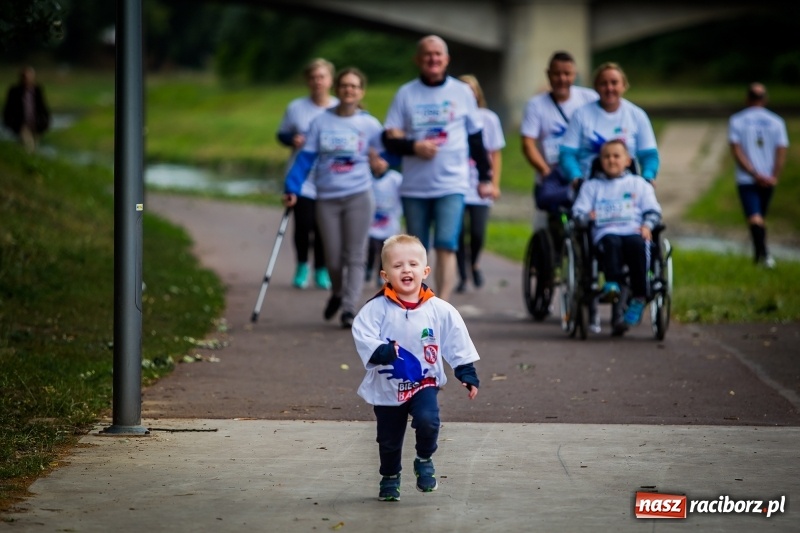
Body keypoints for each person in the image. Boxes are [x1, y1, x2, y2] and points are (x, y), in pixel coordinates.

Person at [351, 234, 480, 501]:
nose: (406, 270)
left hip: (425, 382)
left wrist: (465, 371)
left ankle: (424, 458)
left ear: (425, 270)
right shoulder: (376, 308)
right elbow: (363, 334)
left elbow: (456, 339)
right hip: (389, 387)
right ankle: (389, 476)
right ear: (385, 275)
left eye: (412, 264)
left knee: (428, 421)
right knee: (388, 439)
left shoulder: (440, 309)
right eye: (398, 266)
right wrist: (382, 351)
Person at [382, 35, 494, 302]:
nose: (433, 59)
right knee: (414, 252)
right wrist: (414, 146)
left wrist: (486, 176)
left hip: (452, 183)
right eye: (427, 54)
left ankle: (441, 305)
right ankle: (414, 302)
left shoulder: (462, 92)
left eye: (438, 54)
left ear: (446, 60)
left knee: (446, 244)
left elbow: (476, 138)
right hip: (415, 186)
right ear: (418, 60)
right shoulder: (406, 93)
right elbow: (390, 138)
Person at [283, 67, 383, 328]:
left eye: (354, 86)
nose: (349, 90)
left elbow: (386, 155)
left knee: (356, 255)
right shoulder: (320, 122)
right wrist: (292, 187)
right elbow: (304, 159)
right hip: (326, 197)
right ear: (337, 90)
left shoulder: (369, 124)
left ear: (361, 91)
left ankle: (350, 308)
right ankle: (337, 292)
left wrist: (383, 164)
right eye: (344, 86)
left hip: (359, 194)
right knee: (333, 257)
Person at [571, 140, 662, 336]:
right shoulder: (592, 186)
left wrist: (647, 226)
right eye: (606, 156)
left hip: (634, 230)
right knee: (611, 241)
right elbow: (578, 213)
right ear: (600, 161)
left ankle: (639, 296)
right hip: (606, 232)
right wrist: (588, 217)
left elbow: (653, 211)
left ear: (628, 160)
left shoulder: (639, 184)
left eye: (616, 156)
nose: (611, 160)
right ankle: (612, 284)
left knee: (638, 244)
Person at [277, 58, 337, 290]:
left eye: (321, 77)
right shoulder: (296, 108)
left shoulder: (338, 107)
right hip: (302, 178)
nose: (317, 82)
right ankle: (302, 265)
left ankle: (321, 269)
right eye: (313, 78)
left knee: (324, 227)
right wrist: (293, 139)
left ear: (330, 80)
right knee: (303, 225)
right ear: (307, 81)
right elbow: (281, 135)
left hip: (330, 177)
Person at [521, 51, 598, 227]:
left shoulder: (589, 99)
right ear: (548, 74)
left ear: (575, 75)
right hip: (552, 179)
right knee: (545, 229)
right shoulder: (536, 105)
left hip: (583, 177)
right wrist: (546, 171)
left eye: (567, 74)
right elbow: (528, 144)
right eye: (557, 74)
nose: (562, 79)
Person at [559, 62, 659, 183]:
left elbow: (649, 155)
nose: (609, 88)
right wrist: (575, 177)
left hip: (627, 188)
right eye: (603, 83)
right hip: (588, 188)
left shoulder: (637, 115)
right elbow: (567, 154)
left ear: (624, 86)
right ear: (596, 87)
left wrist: (648, 177)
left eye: (614, 83)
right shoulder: (581, 115)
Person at [728, 82, 788, 269]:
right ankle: (763, 255)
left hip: (747, 178)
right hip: (769, 178)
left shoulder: (737, 120)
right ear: (765, 99)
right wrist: (773, 176)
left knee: (755, 217)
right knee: (758, 216)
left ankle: (761, 255)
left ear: (747, 99)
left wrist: (754, 173)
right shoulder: (777, 121)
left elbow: (737, 151)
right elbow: (781, 151)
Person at [455, 74, 505, 293]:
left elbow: (495, 153)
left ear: (477, 93)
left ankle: (474, 262)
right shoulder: (452, 118)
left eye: (471, 89)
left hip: (480, 186)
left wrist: (494, 183)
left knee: (477, 232)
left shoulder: (489, 119)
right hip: (455, 184)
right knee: (455, 233)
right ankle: (463, 277)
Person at [365, 151, 403, 287]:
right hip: (371, 221)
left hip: (390, 221)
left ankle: (381, 273)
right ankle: (368, 267)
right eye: (376, 159)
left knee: (385, 249)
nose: (379, 163)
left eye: (383, 159)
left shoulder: (395, 178)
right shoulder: (367, 179)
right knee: (371, 245)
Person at [3, 66, 50, 153]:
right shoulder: (14, 91)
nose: (26, 79)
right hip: (21, 123)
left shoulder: (37, 90)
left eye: (28, 77)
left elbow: (43, 107)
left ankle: (25, 160)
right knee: (28, 146)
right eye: (24, 77)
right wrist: (9, 122)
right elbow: (8, 108)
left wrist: (46, 121)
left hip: (36, 123)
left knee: (34, 147)